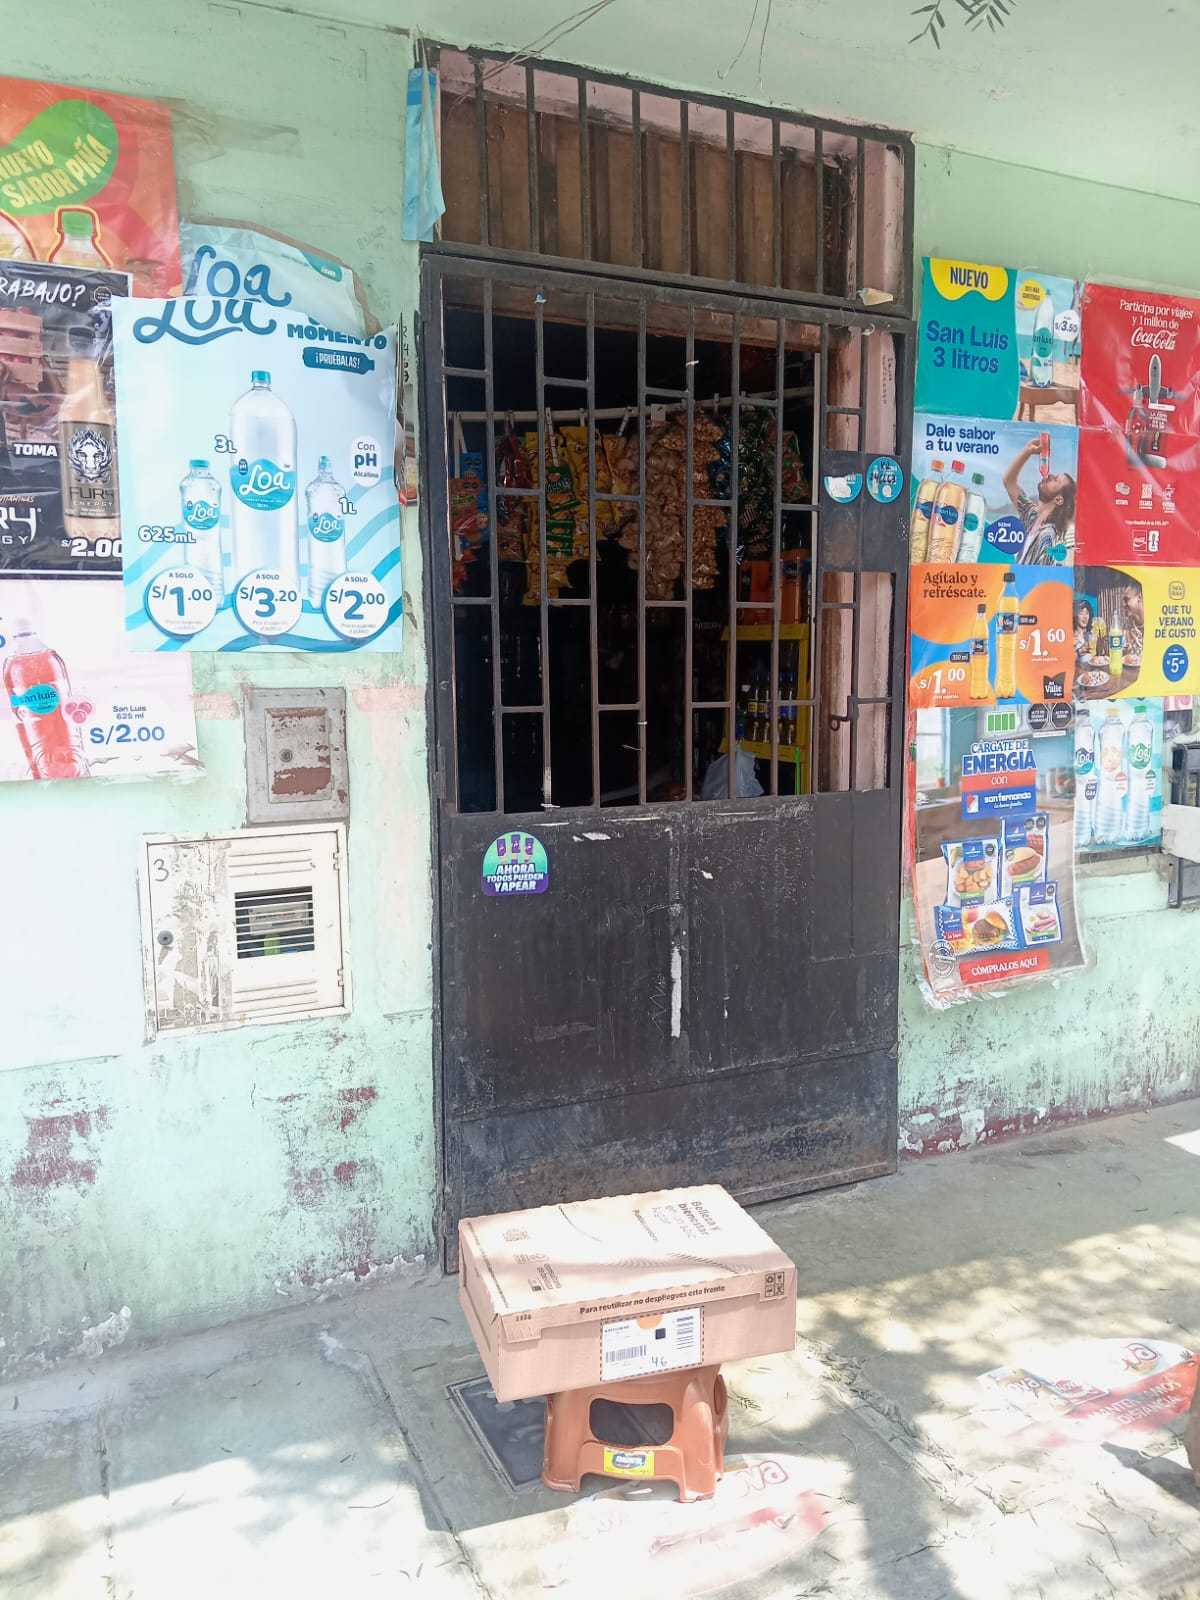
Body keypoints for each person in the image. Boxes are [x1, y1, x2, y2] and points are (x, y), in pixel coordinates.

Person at [1002, 438, 1077, 565]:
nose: (1050, 475)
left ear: (1058, 499)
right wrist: (1027, 451)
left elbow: (1042, 574)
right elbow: (1008, 481)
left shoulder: (1048, 537)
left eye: (1056, 480)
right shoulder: (1032, 516)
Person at [1120, 583, 1144, 669]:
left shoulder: (1154, 622)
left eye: (1126, 599)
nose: (1123, 604)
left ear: (1139, 597)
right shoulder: (1127, 625)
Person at [1074, 597, 1095, 662]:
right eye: (1081, 613)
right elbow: (1065, 659)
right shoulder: (1071, 636)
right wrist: (1079, 651)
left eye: (1087, 613)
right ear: (1075, 616)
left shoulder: (1091, 635)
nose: (1085, 617)